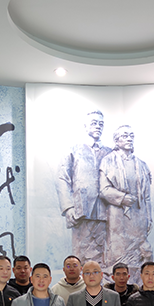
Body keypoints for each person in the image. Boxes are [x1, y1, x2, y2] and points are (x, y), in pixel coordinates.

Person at [56, 110, 112, 266]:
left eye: (101, 124)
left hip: (105, 211)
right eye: (94, 123)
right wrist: (68, 207)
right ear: (85, 126)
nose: (98, 126)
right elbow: (62, 178)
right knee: (81, 254)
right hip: (81, 210)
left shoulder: (110, 153)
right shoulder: (74, 150)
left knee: (103, 255)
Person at [99, 125, 153, 281]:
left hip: (139, 215)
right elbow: (104, 189)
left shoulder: (141, 165)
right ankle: (117, 284)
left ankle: (137, 284)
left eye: (131, 136)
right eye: (124, 136)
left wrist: (148, 217)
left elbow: (147, 196)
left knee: (140, 253)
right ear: (116, 140)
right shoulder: (108, 161)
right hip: (118, 215)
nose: (129, 139)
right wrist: (122, 198)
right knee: (119, 252)